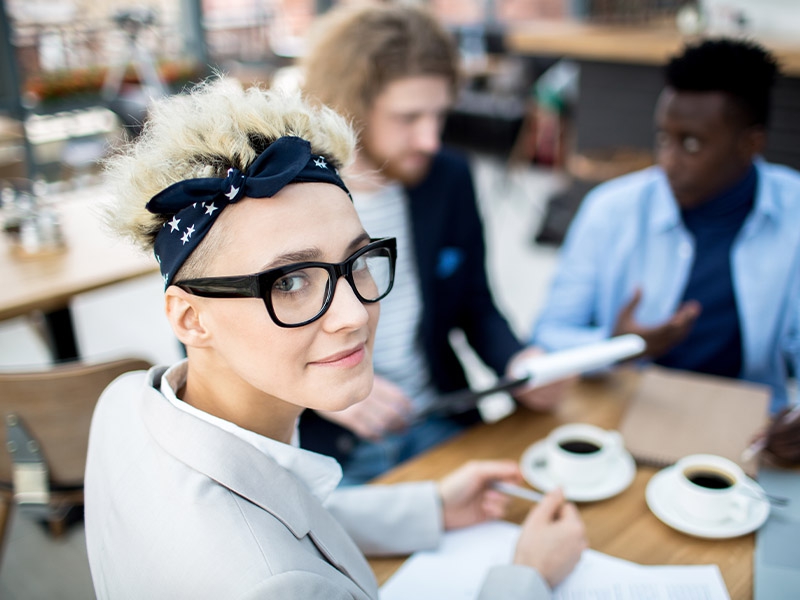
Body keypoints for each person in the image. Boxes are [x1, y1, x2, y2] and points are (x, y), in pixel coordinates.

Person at [83, 77, 586, 598]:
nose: (355, 313)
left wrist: (429, 508)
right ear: (189, 318)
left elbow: (276, 500)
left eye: (357, 260)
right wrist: (529, 575)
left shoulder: (123, 402)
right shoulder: (273, 585)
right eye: (290, 281)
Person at [298, 3, 565, 484]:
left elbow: (476, 306)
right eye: (408, 117)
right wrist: (315, 389)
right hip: (327, 447)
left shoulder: (448, 178)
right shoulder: (285, 192)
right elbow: (218, 344)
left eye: (439, 115)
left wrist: (520, 362)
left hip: (438, 416)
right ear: (350, 106)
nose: (430, 139)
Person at [532, 38, 800, 421]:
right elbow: (548, 334)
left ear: (750, 144)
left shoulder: (794, 214)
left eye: (690, 144)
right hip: (625, 410)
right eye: (663, 138)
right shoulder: (610, 210)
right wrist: (619, 346)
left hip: (751, 425)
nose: (668, 162)